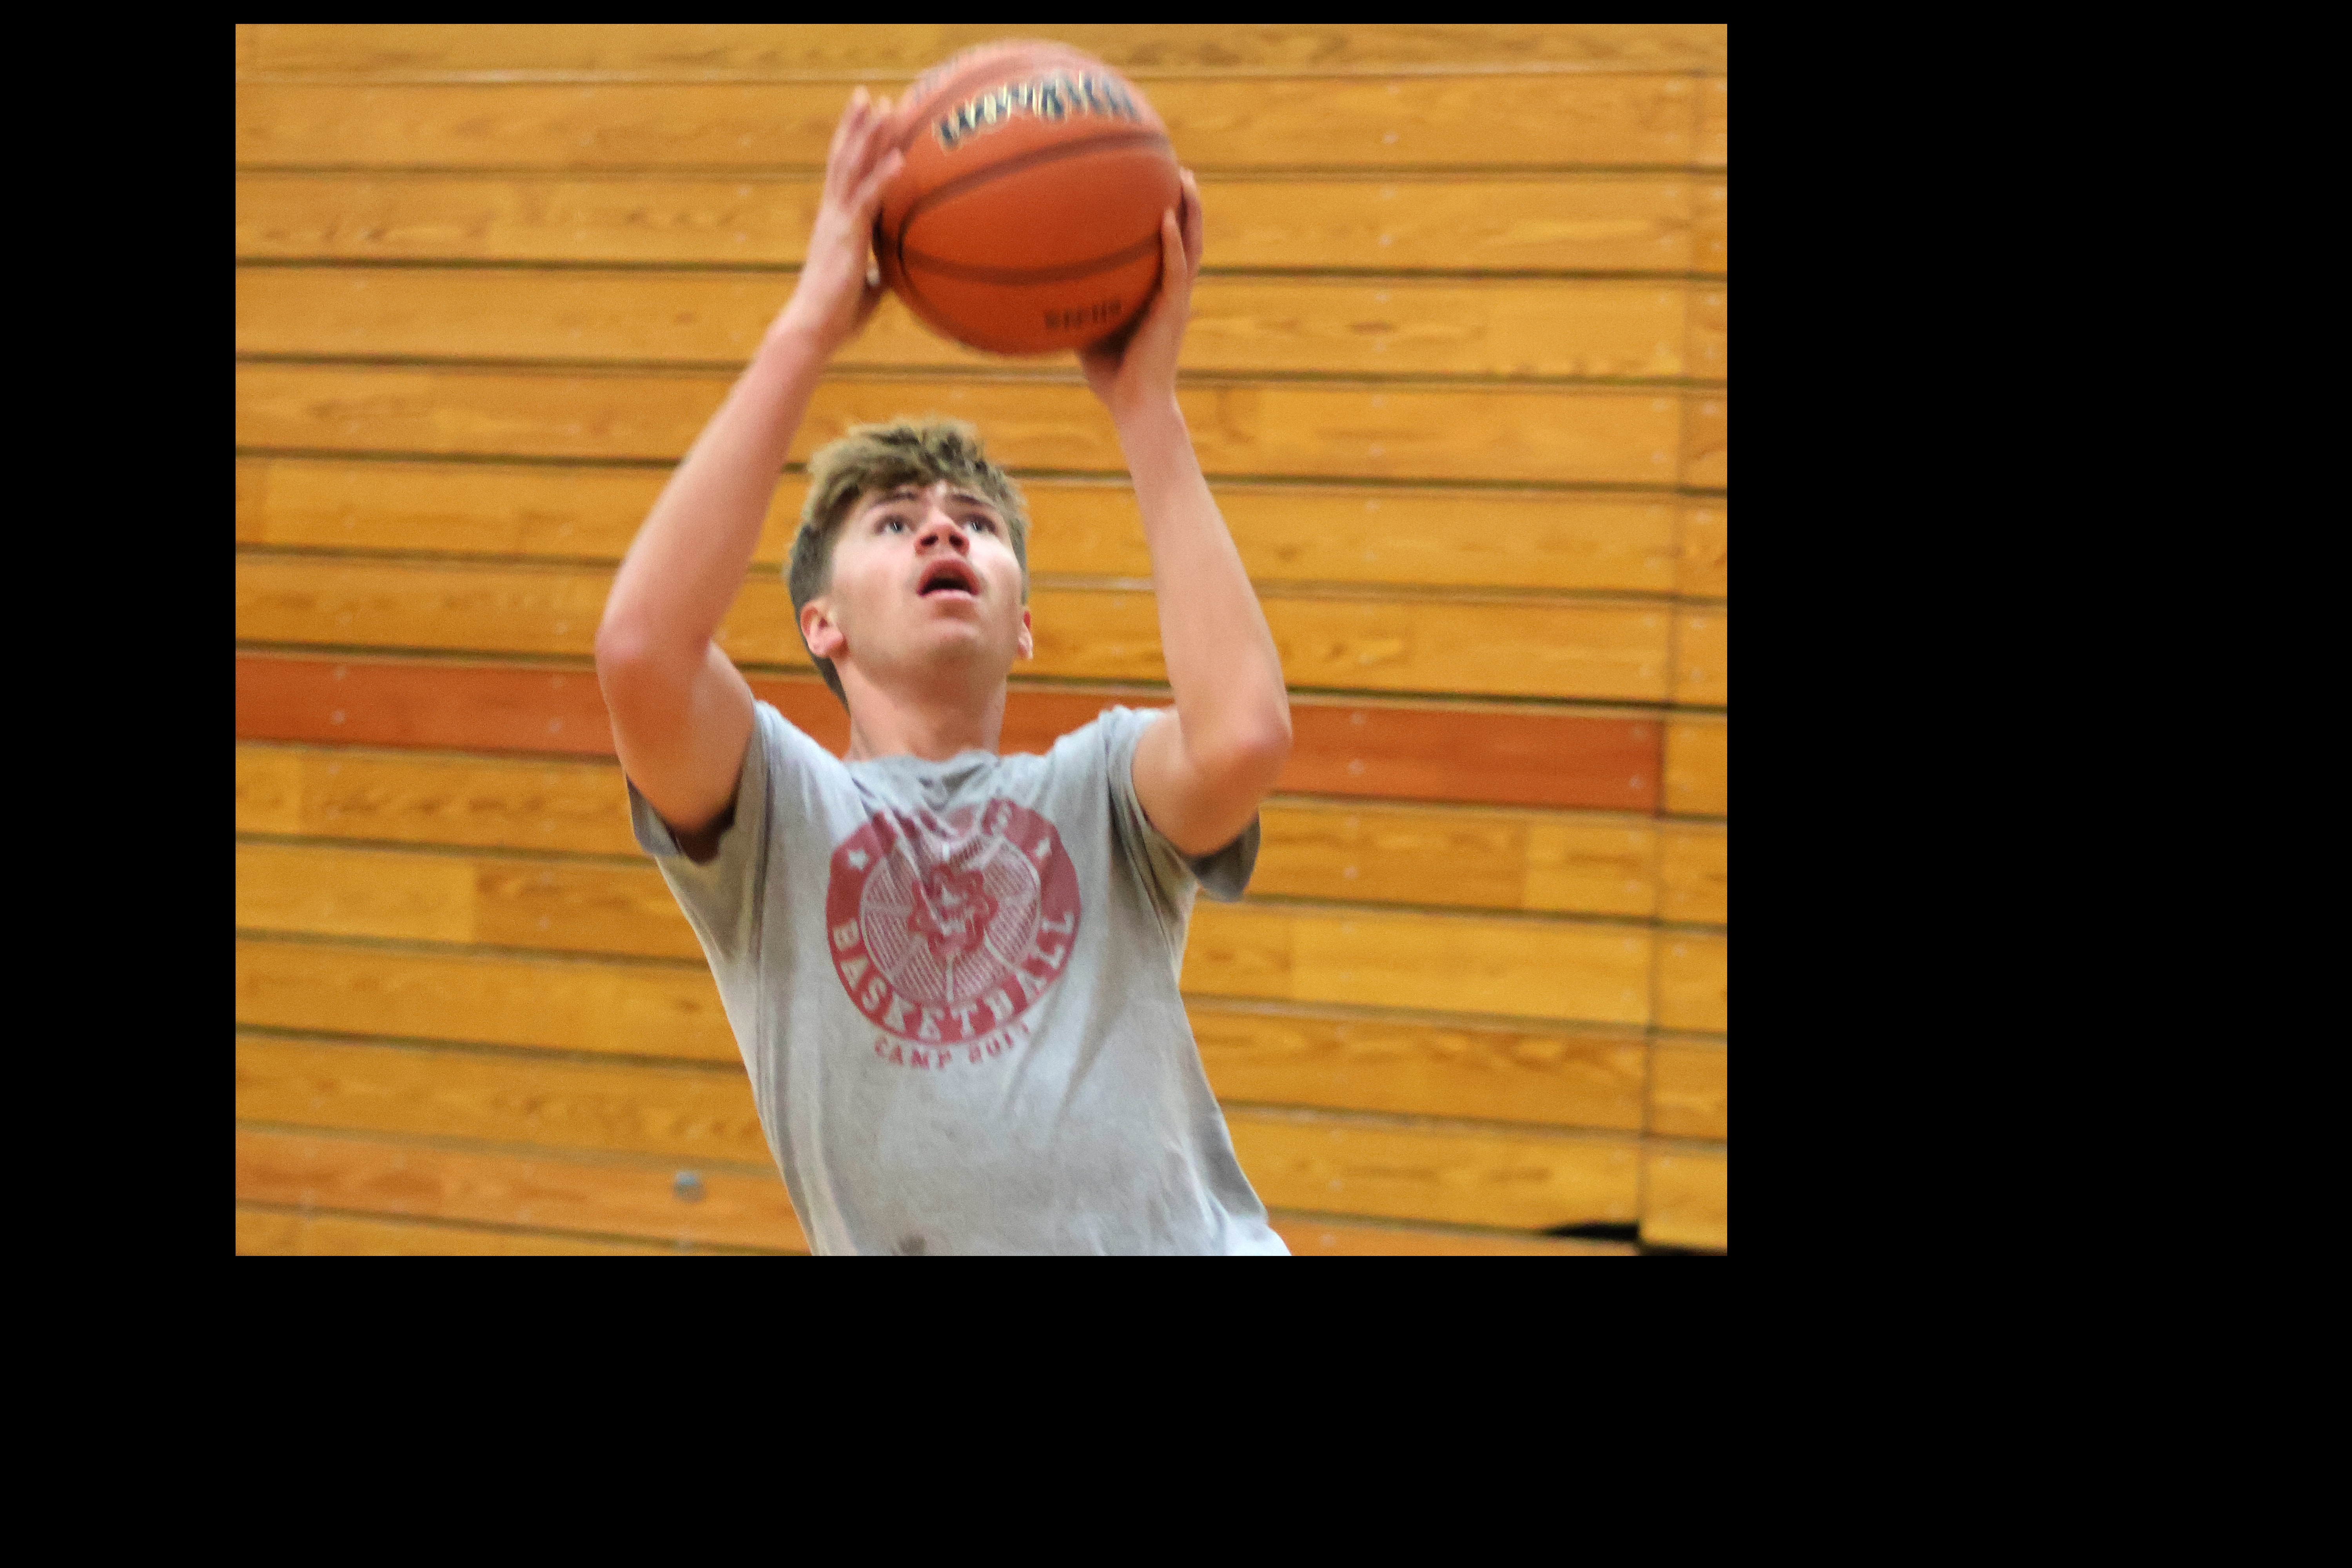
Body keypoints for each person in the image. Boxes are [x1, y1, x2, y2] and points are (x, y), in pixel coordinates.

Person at [594, 87, 1294, 1255]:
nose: (941, 530)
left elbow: (1242, 738)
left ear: (1023, 627)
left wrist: (1147, 409)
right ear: (822, 625)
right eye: (894, 522)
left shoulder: (1101, 790)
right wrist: (809, 327)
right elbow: (640, 652)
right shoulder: (779, 818)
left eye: (976, 523)